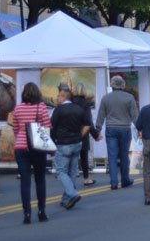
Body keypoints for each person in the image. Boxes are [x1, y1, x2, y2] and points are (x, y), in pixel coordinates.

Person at [13, 83, 51, 224]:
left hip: (21, 147)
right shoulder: (41, 107)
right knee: (40, 180)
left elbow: (16, 128)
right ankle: (41, 211)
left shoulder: (17, 108)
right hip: (37, 147)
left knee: (25, 181)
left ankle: (27, 213)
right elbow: (47, 127)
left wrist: (22, 138)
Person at [51, 83, 92, 211]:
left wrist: (52, 142)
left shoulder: (58, 110)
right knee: (72, 171)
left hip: (63, 143)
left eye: (59, 96)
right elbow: (87, 124)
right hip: (77, 142)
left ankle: (73, 194)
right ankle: (66, 198)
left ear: (63, 97)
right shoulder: (79, 109)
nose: (57, 98)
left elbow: (52, 126)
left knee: (61, 171)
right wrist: (80, 135)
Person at [95, 75, 138, 190]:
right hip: (125, 128)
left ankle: (114, 182)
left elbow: (100, 116)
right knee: (124, 155)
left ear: (112, 85)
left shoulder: (106, 98)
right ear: (123, 85)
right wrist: (140, 129)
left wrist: (97, 130)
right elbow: (135, 116)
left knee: (112, 156)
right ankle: (125, 179)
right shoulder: (129, 98)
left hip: (111, 128)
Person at [71, 83, 101, 186]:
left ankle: (71, 180)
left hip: (71, 132)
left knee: (71, 157)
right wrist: (96, 134)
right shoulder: (85, 103)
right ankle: (86, 178)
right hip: (83, 132)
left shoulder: (70, 102)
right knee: (84, 156)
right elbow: (88, 122)